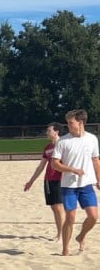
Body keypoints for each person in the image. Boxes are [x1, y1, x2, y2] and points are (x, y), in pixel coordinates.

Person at [51, 109, 100, 256]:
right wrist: (72, 169)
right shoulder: (63, 141)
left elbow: (96, 160)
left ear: (81, 122)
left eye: (71, 122)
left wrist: (99, 179)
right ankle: (65, 250)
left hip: (86, 185)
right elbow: (55, 164)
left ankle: (81, 236)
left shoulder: (92, 139)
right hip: (69, 186)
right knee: (70, 216)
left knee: (93, 217)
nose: (68, 125)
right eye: (67, 123)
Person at [24, 123, 64, 240]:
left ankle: (62, 234)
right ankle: (59, 233)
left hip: (60, 179)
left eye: (49, 130)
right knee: (53, 207)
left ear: (56, 131)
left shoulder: (63, 145)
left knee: (59, 207)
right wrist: (31, 181)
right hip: (48, 179)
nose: (47, 132)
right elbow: (41, 167)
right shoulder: (48, 147)